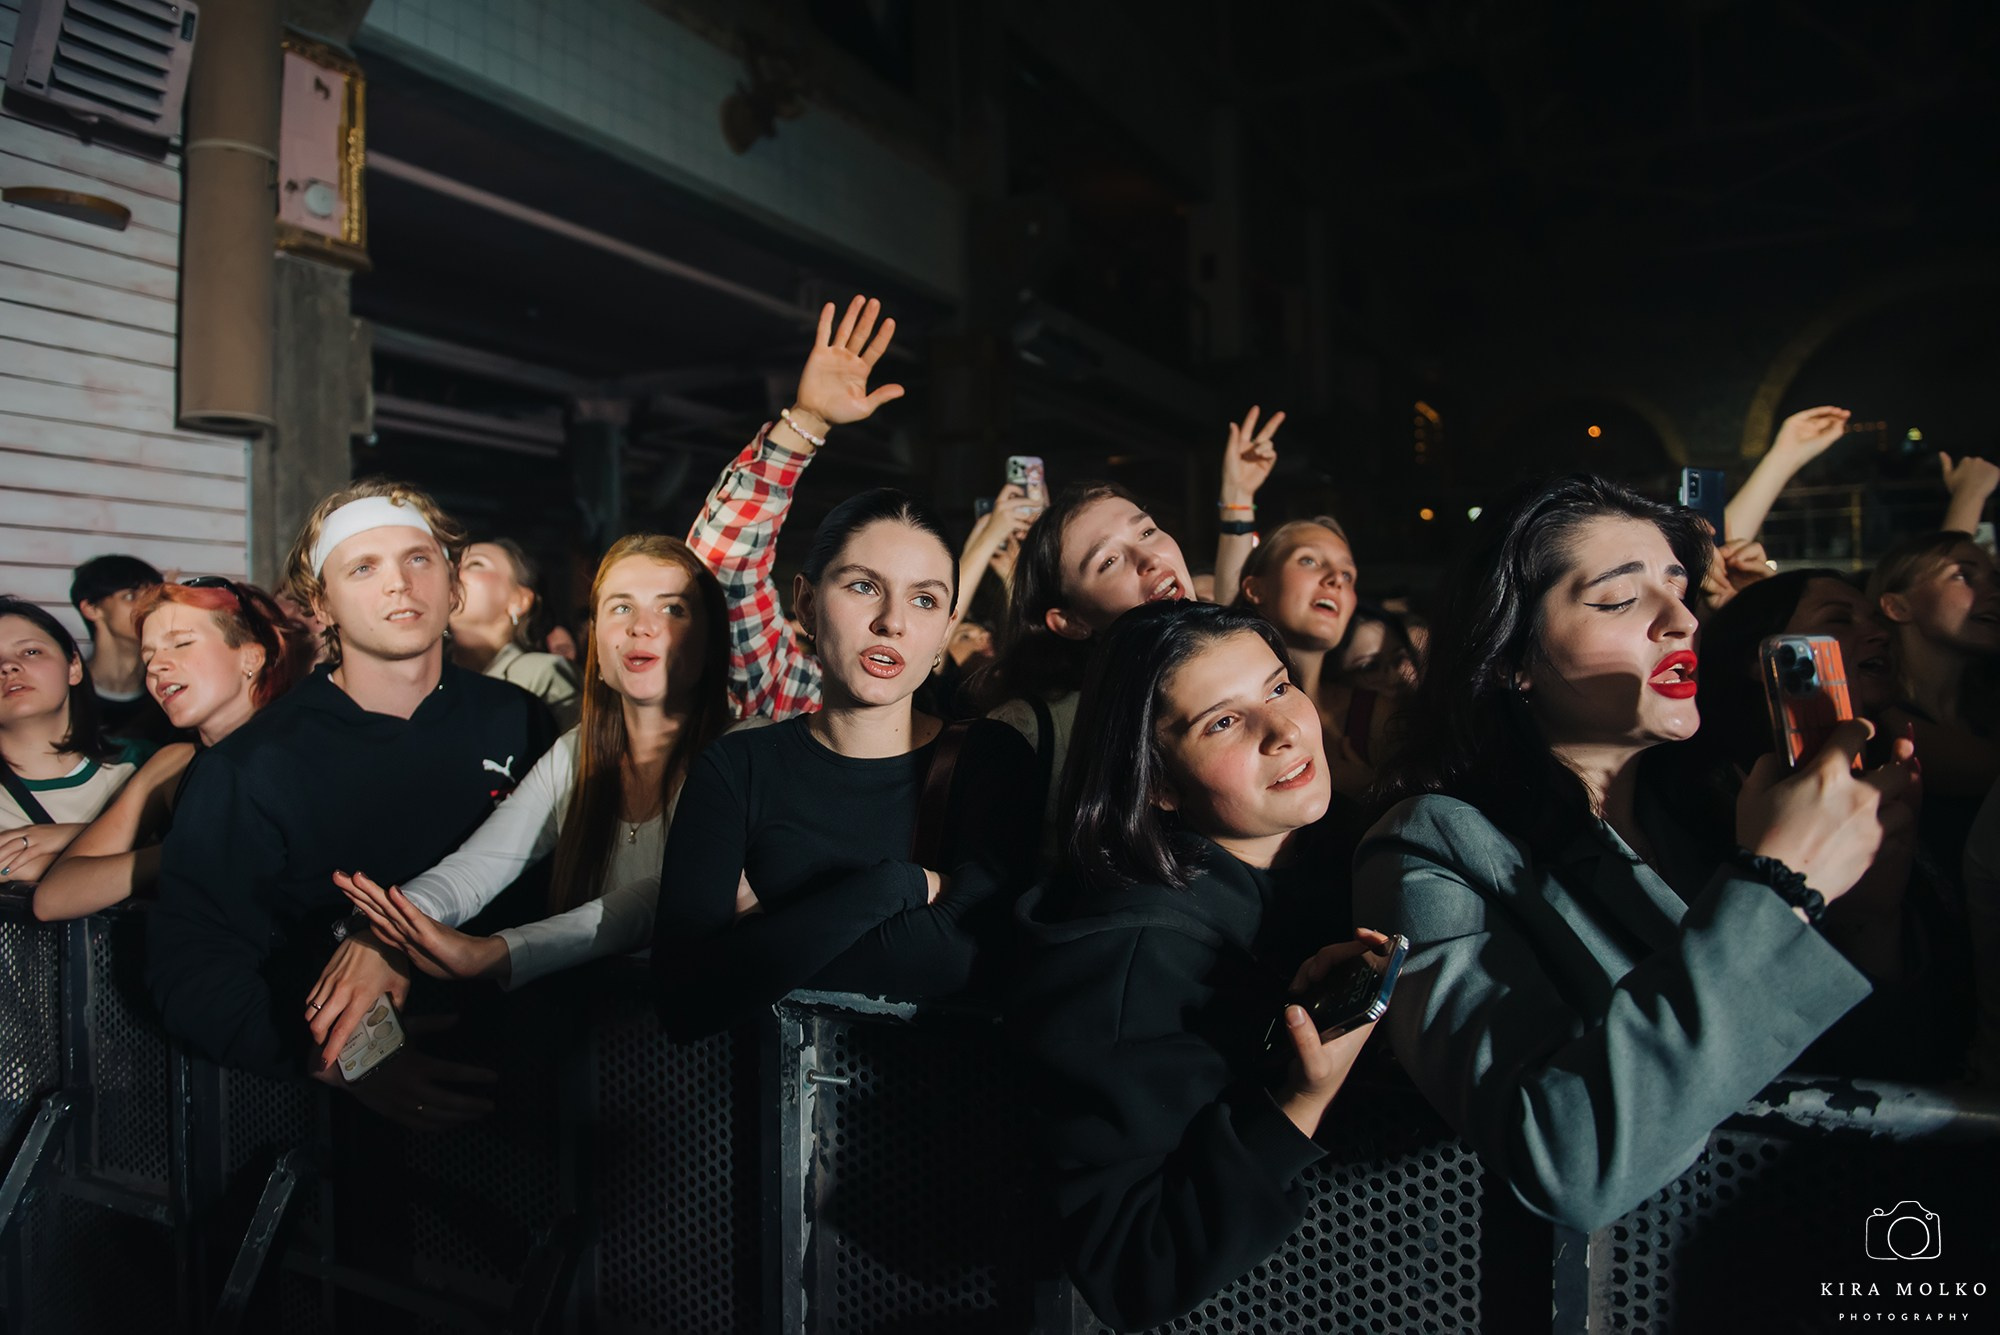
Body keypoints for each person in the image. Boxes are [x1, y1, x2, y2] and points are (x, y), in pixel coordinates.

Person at [1354, 474, 1916, 1232]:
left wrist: (1869, 916)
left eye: (1679, 589)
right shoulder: (1432, 845)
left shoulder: (1724, 805)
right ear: (1512, 658)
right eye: (1619, 599)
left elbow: (1880, 1072)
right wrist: (1777, 886)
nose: (1680, 619)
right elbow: (1562, 1159)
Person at [1010, 600, 1381, 1331]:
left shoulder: (1349, 850)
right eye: (1224, 720)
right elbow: (1129, 1269)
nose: (1283, 730)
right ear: (1158, 783)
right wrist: (1296, 1103)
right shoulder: (1130, 950)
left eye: (1278, 687)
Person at [145, 480, 555, 1128]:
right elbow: (189, 967)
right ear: (321, 603)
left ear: (453, 587)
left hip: (535, 1086)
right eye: (363, 566)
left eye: (419, 559)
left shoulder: (521, 719)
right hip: (349, 1130)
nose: (399, 584)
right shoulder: (253, 766)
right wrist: (338, 1060)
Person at [301, 535, 733, 1063]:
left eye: (673, 608)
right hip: (600, 1056)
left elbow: (661, 898)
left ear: (711, 642)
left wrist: (495, 952)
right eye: (620, 607)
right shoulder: (575, 755)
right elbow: (478, 866)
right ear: (597, 649)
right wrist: (388, 930)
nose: (641, 625)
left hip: (714, 1055)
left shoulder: (747, 751)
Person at [652, 489, 1040, 1040]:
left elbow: (963, 962)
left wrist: (763, 944)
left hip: (929, 1110)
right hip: (768, 1115)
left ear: (945, 631)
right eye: (864, 587)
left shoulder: (989, 760)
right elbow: (684, 1000)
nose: (892, 622)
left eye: (924, 600)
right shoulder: (736, 768)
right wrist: (898, 888)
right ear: (807, 604)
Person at [1670, 570, 1970, 1081]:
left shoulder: (1896, 776)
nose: (1877, 633)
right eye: (1839, 620)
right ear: (1758, 656)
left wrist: (1876, 921)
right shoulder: (1700, 797)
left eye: (1877, 621)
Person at [32, 579, 314, 922]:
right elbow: (54, 898)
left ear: (251, 656)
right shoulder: (175, 765)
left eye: (181, 643)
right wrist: (181, 851)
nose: (154, 666)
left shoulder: (310, 752)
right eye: (148, 655)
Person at [1869, 530, 2000, 875]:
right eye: (1962, 575)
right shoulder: (1879, 725)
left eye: (1995, 579)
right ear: (1897, 606)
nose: (1993, 593)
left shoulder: (1987, 713)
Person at [1232, 516, 1387, 796]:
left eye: (1348, 575)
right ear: (1255, 589)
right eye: (1309, 561)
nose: (1336, 579)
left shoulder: (1379, 718)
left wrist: (1374, 790)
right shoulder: (1221, 711)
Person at [0, 598, 136, 888]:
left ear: (74, 666)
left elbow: (197, 855)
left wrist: (68, 836)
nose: (9, 666)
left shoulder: (142, 764)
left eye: (31, 651)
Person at [449, 538, 581, 731]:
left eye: (475, 564)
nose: (452, 572)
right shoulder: (428, 674)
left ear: (518, 600)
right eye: (452, 564)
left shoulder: (543, 674)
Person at [68, 554, 177, 754]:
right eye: (130, 596)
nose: (147, 606)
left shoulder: (171, 688)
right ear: (91, 609)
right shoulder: (68, 693)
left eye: (154, 596)